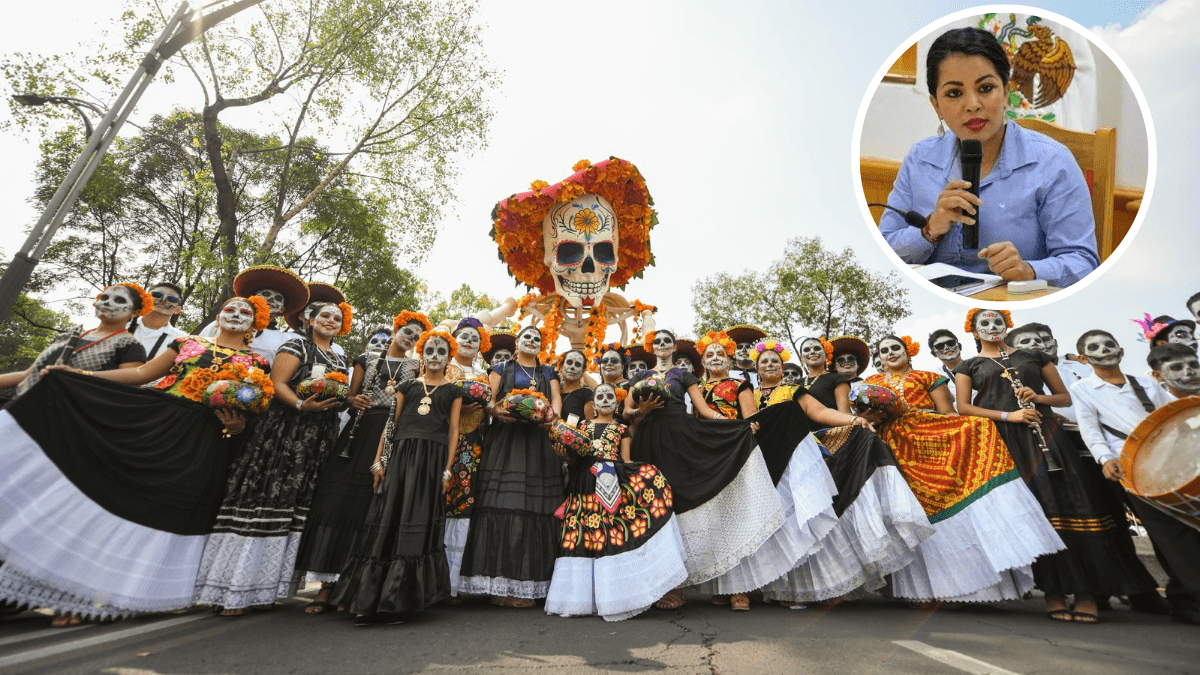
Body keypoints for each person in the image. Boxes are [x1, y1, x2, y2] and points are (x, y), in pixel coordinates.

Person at [0, 295, 271, 624]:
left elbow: (252, 415)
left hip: (203, 442)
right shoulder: (186, 342)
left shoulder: (259, 364)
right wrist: (78, 375)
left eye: (246, 311)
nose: (236, 314)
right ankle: (70, 593)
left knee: (166, 511)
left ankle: (134, 591)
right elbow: (141, 374)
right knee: (114, 499)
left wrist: (238, 426)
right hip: (156, 424)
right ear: (220, 313)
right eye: (230, 308)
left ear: (257, 322)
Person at [956, 310, 1159, 622]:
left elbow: (1064, 399)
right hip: (1006, 443)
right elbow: (964, 408)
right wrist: (1011, 416)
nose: (992, 327)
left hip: (1048, 435)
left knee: (1074, 508)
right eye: (984, 323)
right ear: (974, 330)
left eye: (998, 321)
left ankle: (1086, 592)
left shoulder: (1034, 356)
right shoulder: (968, 365)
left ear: (1007, 326)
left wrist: (1037, 397)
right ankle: (1052, 592)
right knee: (1035, 517)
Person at [878, 27, 1098, 288]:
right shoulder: (919, 159)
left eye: (985, 88)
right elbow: (883, 250)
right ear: (935, 104)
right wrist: (930, 230)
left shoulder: (1052, 162)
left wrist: (1029, 270)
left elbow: (1084, 264)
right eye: (954, 93)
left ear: (1005, 93)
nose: (972, 104)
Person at [863, 332, 1064, 603]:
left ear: (908, 351)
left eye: (895, 347)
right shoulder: (871, 382)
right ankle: (923, 591)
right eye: (884, 350)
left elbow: (948, 413)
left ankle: (964, 588)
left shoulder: (929, 377)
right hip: (893, 447)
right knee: (910, 512)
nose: (890, 353)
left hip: (931, 442)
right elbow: (861, 415)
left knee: (952, 497)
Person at [194, 301, 353, 616]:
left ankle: (266, 590)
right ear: (309, 319)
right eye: (325, 315)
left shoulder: (341, 356)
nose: (331, 321)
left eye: (338, 318)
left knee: (293, 510)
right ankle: (232, 591)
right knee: (265, 501)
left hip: (318, 438)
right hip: (284, 433)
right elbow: (278, 384)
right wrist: (299, 405)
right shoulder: (295, 344)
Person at [625, 330, 796, 611]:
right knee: (653, 507)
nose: (663, 346)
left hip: (680, 439)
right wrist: (640, 409)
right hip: (647, 442)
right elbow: (626, 412)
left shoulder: (683, 375)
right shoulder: (640, 379)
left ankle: (677, 587)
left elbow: (704, 411)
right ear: (652, 346)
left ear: (674, 347)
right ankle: (655, 583)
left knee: (678, 504)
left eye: (668, 341)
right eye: (658, 342)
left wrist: (735, 425)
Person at [754, 336, 932, 606]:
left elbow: (821, 412)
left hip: (795, 458)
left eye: (775, 361)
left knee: (802, 519)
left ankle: (815, 589)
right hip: (763, 461)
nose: (769, 364)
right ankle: (780, 588)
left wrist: (853, 419)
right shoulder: (749, 395)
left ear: (784, 367)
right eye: (764, 361)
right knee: (776, 523)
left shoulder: (794, 390)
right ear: (757, 369)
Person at [295, 311, 427, 613]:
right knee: (337, 500)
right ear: (396, 329)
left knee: (370, 505)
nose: (410, 338)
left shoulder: (416, 366)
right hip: (358, 433)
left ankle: (351, 586)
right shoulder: (365, 358)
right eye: (407, 331)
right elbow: (348, 397)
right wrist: (354, 401)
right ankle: (325, 588)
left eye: (416, 336)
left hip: (390, 435)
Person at [332, 329, 464, 625]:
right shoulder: (406, 385)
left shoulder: (454, 391)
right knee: (387, 518)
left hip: (432, 461)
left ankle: (398, 603)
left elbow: (454, 431)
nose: (434, 357)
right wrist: (378, 461)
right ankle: (367, 602)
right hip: (401, 457)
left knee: (416, 520)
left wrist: (448, 468)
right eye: (429, 350)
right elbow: (391, 425)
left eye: (440, 352)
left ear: (448, 357)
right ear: (421, 354)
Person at [1071, 336, 1200, 626]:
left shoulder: (1146, 384)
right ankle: (1191, 598)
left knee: (1185, 529)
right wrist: (1105, 458)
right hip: (1132, 468)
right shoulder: (1083, 389)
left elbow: (1175, 414)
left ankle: (1182, 600)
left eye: (1109, 345)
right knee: (1169, 533)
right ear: (1083, 359)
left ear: (1122, 349)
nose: (1104, 351)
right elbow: (1090, 428)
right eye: (1094, 348)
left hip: (1171, 461)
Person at [544, 382, 688, 620]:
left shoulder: (622, 428)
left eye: (610, 395)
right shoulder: (580, 425)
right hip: (582, 483)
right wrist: (565, 455)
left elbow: (626, 460)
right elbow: (572, 459)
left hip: (611, 483)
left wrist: (645, 476)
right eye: (600, 395)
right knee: (582, 533)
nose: (605, 399)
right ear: (593, 403)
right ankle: (579, 601)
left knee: (608, 535)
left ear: (617, 401)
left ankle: (614, 597)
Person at [458, 326, 564, 607]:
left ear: (541, 345)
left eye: (537, 338)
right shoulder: (501, 368)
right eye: (526, 337)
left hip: (539, 443)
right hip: (506, 440)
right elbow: (488, 401)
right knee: (504, 503)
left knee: (537, 508)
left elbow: (556, 405)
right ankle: (499, 587)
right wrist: (496, 411)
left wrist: (550, 417)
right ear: (518, 342)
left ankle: (528, 585)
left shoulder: (549, 372)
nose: (531, 341)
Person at [0, 283, 150, 399]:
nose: (107, 303)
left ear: (135, 312)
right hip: (19, 404)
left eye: (119, 300)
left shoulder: (129, 345)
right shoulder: (65, 337)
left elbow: (124, 391)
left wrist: (79, 375)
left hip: (64, 420)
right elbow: (29, 374)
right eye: (104, 298)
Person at [443, 316, 492, 598]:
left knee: (463, 504)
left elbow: (488, 409)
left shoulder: (483, 374)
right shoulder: (441, 366)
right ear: (454, 339)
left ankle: (454, 583)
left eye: (475, 338)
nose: (470, 341)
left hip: (473, 445)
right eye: (464, 336)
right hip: (442, 440)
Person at [199, 265, 310, 364]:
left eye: (277, 298)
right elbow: (197, 351)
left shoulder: (284, 339)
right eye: (265, 294)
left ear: (282, 309)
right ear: (253, 298)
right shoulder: (221, 324)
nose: (271, 299)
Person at [131, 282, 187, 363]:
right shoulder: (120, 325)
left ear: (177, 310)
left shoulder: (183, 341)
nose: (163, 300)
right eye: (157, 295)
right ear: (144, 298)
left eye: (172, 299)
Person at [927, 328, 964, 401]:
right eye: (939, 346)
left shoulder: (979, 366)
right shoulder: (934, 376)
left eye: (951, 343)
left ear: (959, 346)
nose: (947, 348)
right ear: (934, 353)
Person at [558, 348, 594, 423]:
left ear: (583, 371)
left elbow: (590, 426)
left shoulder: (587, 394)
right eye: (569, 362)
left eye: (578, 364)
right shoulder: (554, 392)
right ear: (561, 367)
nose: (572, 367)